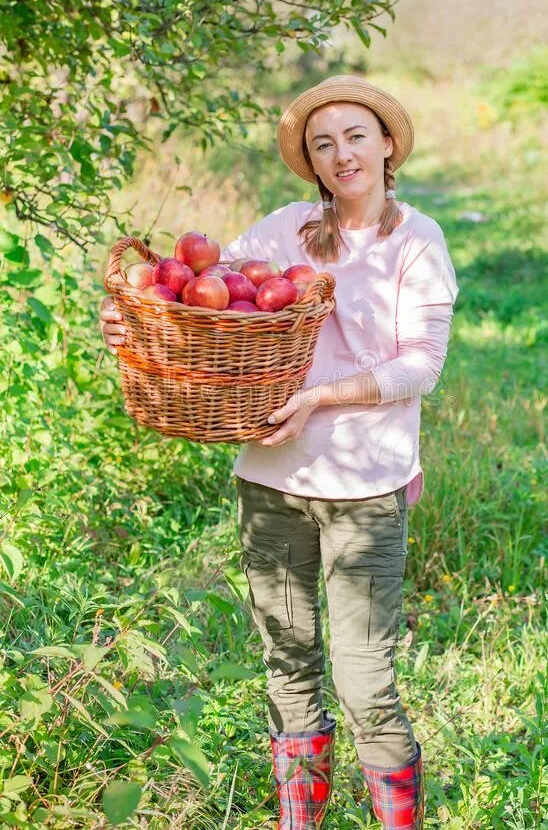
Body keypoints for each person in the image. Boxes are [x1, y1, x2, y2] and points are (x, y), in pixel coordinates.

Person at [100, 75, 460, 829]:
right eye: (322, 143)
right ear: (311, 160)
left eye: (355, 136)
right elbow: (211, 296)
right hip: (270, 480)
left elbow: (422, 363)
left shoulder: (415, 239)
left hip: (366, 486)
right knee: (288, 667)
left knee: (364, 682)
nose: (341, 154)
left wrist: (320, 397)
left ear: (387, 144)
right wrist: (136, 324)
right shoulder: (288, 229)